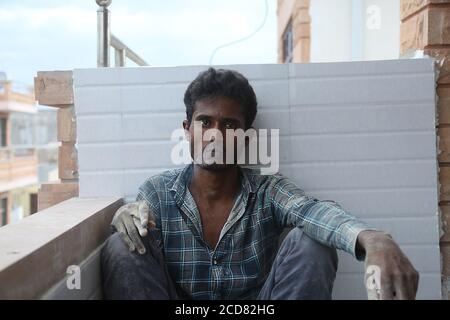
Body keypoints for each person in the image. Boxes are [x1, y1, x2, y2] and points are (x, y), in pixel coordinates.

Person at [100, 67, 419, 300]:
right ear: (188, 129)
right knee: (122, 245)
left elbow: (312, 212)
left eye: (229, 124)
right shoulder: (157, 192)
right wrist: (123, 219)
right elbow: (133, 244)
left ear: (245, 136)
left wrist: (375, 240)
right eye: (205, 122)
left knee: (312, 243)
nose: (215, 134)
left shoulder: (267, 191)